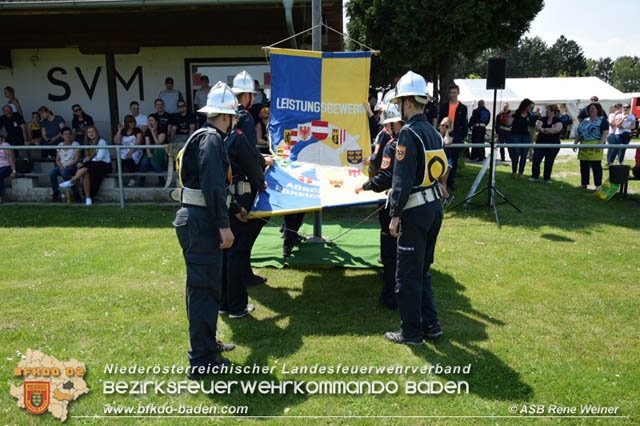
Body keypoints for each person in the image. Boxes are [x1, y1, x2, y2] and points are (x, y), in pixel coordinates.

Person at [173, 81, 238, 379]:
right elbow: (213, 185)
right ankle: (201, 359)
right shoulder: (212, 139)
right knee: (203, 290)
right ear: (227, 116)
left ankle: (206, 346)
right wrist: (224, 226)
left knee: (205, 289)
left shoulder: (204, 137)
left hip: (197, 218)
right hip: (202, 221)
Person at [385, 71, 448, 345]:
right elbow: (446, 168)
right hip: (434, 207)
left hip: (415, 210)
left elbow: (401, 180)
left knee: (408, 275)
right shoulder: (434, 131)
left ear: (408, 102)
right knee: (423, 271)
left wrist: (395, 216)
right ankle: (431, 325)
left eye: (399, 102)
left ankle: (411, 333)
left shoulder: (408, 134)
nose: (398, 108)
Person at [355, 102, 403, 310]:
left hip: (396, 201)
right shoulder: (416, 138)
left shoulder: (394, 144)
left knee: (392, 248)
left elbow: (386, 176)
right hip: (418, 203)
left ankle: (390, 296)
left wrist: (366, 185)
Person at [231, 70, 272, 284]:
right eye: (252, 95)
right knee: (246, 234)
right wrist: (261, 170)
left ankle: (243, 274)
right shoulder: (245, 118)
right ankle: (242, 277)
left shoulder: (230, 116)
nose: (254, 98)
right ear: (246, 95)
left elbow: (244, 150)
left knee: (239, 235)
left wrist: (260, 156)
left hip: (231, 183)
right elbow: (246, 152)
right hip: (244, 185)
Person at [59, 126, 112, 205]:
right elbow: (86, 159)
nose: (91, 134)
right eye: (89, 132)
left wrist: (86, 162)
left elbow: (99, 157)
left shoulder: (101, 141)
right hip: (92, 165)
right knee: (86, 172)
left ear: (96, 133)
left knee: (86, 165)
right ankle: (88, 198)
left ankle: (72, 181)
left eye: (93, 132)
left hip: (104, 165)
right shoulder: (88, 143)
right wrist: (85, 162)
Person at [438, 84, 468, 191]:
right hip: (444, 133)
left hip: (456, 136)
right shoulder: (444, 106)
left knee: (454, 160)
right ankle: (440, 181)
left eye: (454, 93)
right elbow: (439, 121)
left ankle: (450, 181)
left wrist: (461, 137)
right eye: (451, 93)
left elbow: (464, 124)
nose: (452, 95)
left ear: (458, 93)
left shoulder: (462, 108)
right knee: (442, 158)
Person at [574, 102, 609, 191]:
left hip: (596, 144)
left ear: (598, 110)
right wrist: (575, 143)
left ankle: (598, 186)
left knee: (596, 166)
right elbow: (579, 132)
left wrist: (600, 144)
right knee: (583, 165)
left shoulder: (602, 120)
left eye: (593, 108)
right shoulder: (584, 120)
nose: (591, 110)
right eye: (590, 108)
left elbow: (605, 133)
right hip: (584, 144)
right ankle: (584, 183)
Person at [530, 104, 562, 183]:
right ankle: (535, 176)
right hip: (541, 143)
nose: (546, 111)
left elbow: (557, 129)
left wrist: (544, 129)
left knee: (549, 161)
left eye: (548, 110)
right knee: (536, 159)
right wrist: (549, 130)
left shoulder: (558, 120)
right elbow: (537, 128)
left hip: (553, 144)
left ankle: (547, 178)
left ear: (553, 111)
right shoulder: (543, 119)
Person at [49, 127, 80, 202]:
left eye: (69, 134)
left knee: (64, 173)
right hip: (62, 166)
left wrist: (67, 166)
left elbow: (77, 159)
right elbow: (57, 159)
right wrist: (61, 166)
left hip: (72, 166)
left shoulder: (75, 144)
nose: (67, 135)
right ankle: (56, 192)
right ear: (62, 136)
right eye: (65, 134)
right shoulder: (60, 145)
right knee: (52, 172)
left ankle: (75, 192)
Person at [506, 98, 535, 178]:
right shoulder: (515, 113)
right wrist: (509, 116)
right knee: (516, 153)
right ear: (525, 106)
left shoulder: (530, 115)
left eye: (532, 107)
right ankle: (514, 172)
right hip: (515, 135)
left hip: (526, 136)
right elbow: (508, 123)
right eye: (530, 107)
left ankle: (521, 173)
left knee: (524, 154)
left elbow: (532, 126)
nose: (531, 109)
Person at [113, 115, 143, 187]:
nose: (132, 124)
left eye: (133, 122)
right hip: (124, 150)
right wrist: (119, 130)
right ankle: (119, 178)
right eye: (130, 122)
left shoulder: (138, 131)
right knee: (119, 159)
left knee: (130, 159)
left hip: (135, 150)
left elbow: (138, 143)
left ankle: (132, 178)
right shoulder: (123, 131)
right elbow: (116, 141)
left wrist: (130, 153)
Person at [139, 114, 167, 187]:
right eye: (149, 120)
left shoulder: (162, 129)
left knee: (153, 161)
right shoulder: (148, 131)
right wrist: (148, 153)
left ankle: (162, 181)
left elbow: (158, 143)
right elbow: (147, 143)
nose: (150, 122)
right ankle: (141, 182)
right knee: (144, 162)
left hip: (160, 149)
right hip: (151, 149)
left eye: (152, 120)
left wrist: (153, 132)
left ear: (156, 121)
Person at [0, 135, 16, 203]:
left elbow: (11, 159)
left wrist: (14, 171)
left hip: (6, 166)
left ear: (3, 139)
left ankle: (2, 196)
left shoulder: (6, 145)